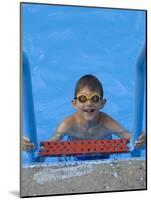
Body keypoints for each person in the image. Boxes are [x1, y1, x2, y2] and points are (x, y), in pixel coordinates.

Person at [22, 74, 145, 153]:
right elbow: (48, 146)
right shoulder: (68, 124)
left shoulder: (107, 123)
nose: (89, 103)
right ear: (74, 103)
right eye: (82, 99)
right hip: (74, 153)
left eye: (95, 98)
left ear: (103, 103)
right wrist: (30, 146)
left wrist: (143, 140)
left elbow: (130, 138)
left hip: (103, 153)